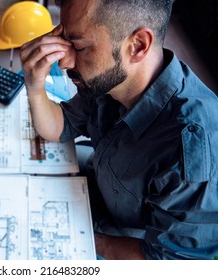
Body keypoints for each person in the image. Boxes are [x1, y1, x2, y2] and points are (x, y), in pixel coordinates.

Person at [19, 0, 218, 260]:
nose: (64, 61)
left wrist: (82, 236)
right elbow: (61, 126)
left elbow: (170, 262)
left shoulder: (192, 155)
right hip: (99, 186)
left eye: (78, 46)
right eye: (63, 40)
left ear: (137, 46)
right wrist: (35, 86)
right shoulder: (110, 79)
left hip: (128, 240)